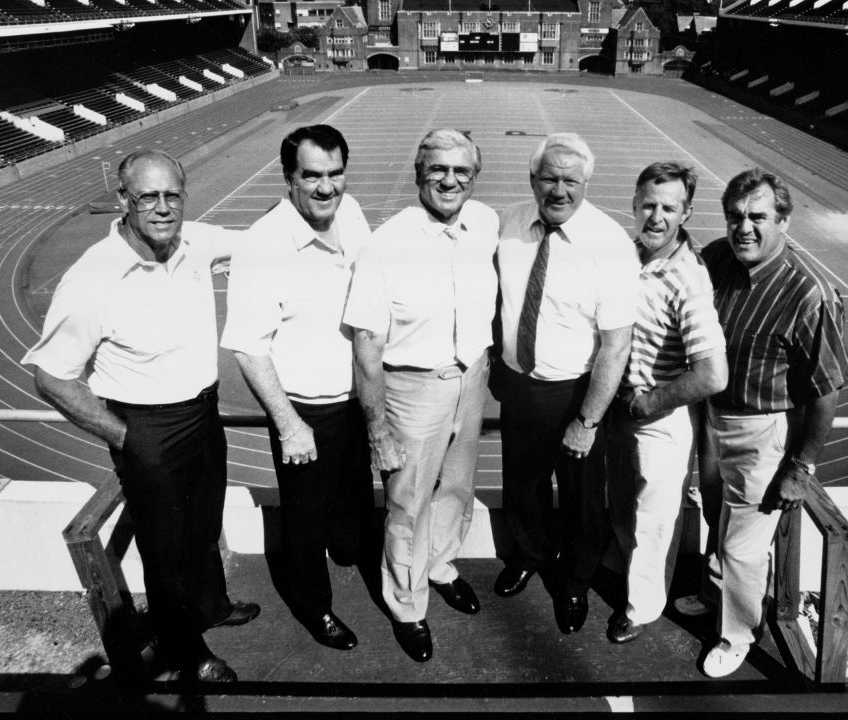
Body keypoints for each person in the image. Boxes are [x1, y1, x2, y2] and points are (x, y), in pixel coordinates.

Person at [23, 149, 259, 683]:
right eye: (147, 196)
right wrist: (126, 436)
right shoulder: (92, 280)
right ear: (122, 201)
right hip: (146, 426)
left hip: (202, 412)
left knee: (202, 527)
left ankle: (212, 608)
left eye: (172, 195)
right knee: (166, 551)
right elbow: (52, 376)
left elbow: (263, 244)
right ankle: (186, 651)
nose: (161, 208)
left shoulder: (197, 242)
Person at [344, 129, 498, 662]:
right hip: (411, 389)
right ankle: (408, 603)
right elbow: (366, 343)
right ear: (418, 174)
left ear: (475, 179)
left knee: (455, 488)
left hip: (470, 379)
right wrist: (378, 428)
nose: (450, 181)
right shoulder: (385, 246)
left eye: (463, 172)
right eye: (438, 170)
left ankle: (440, 566)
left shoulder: (485, 224)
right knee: (407, 504)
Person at [220, 125, 373, 651]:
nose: (326, 187)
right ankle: (315, 609)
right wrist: (289, 425)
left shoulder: (349, 214)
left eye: (335, 174)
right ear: (289, 178)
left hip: (357, 400)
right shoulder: (263, 247)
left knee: (353, 500)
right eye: (312, 176)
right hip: (307, 413)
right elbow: (247, 346)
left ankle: (347, 547)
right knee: (304, 523)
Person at [693, 168, 848, 678]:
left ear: (783, 219)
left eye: (758, 217)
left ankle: (738, 634)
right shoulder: (716, 257)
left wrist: (800, 467)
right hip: (713, 416)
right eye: (736, 215)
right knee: (717, 517)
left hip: (764, 431)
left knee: (742, 544)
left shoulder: (809, 294)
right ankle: (724, 597)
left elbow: (827, 391)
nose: (744, 227)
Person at [493, 133, 638, 634]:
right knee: (524, 484)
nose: (559, 190)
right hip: (519, 385)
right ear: (532, 179)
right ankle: (528, 556)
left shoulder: (610, 243)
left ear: (586, 184)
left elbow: (616, 344)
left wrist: (588, 419)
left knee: (580, 498)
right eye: (549, 178)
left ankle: (575, 582)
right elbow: (499, 302)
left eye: (570, 180)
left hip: (577, 392)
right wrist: (498, 364)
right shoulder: (510, 222)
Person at [604, 162, 728, 644]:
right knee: (621, 502)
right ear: (634, 204)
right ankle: (621, 565)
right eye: (649, 204)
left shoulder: (687, 279)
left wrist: (651, 402)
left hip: (658, 416)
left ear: (686, 213)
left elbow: (713, 372)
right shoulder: (629, 255)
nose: (656, 216)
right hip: (620, 406)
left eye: (669, 208)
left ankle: (640, 607)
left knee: (654, 517)